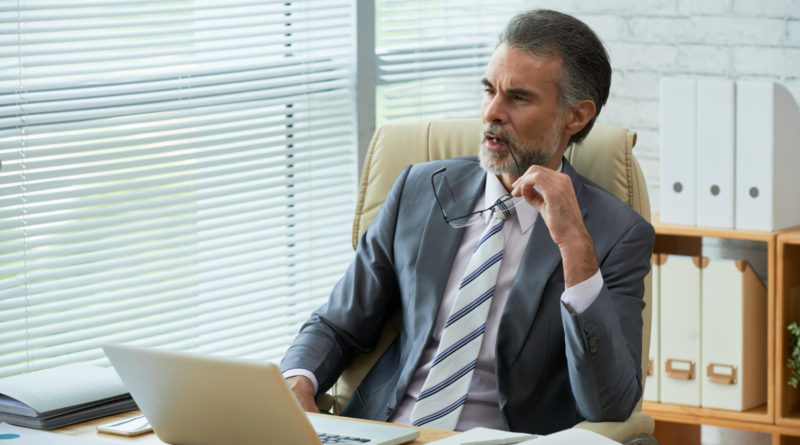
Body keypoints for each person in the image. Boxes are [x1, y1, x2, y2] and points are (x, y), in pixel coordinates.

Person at [280, 9, 655, 435]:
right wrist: (298, 380)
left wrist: (575, 249)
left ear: (576, 116)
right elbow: (338, 322)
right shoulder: (418, 190)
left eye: (518, 97)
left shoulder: (615, 233)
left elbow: (609, 401)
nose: (492, 112)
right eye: (489, 90)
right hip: (385, 431)